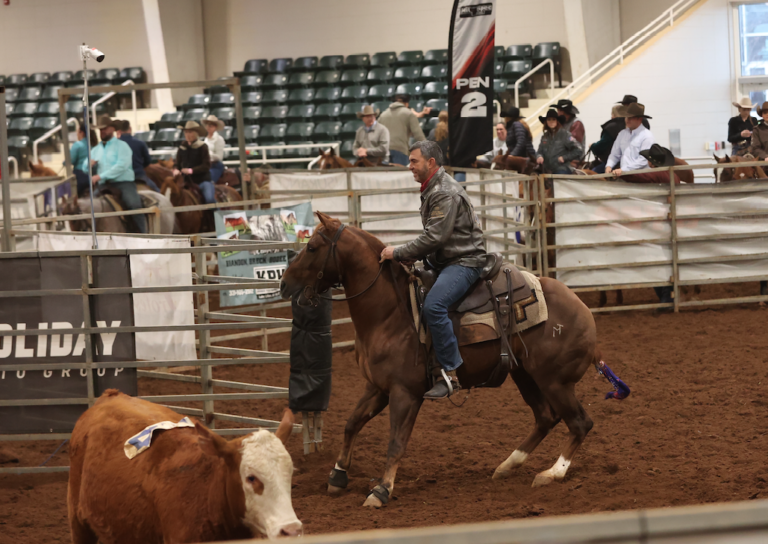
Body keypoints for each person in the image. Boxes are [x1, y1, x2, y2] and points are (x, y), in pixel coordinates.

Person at [379, 140, 486, 399]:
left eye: (414, 161)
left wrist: (400, 252)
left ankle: (450, 373)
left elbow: (435, 237)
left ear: (431, 162)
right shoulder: (434, 188)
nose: (409, 166)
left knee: (434, 306)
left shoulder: (443, 191)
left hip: (464, 261)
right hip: (449, 259)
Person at [90, 115, 147, 233]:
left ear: (112, 129)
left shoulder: (122, 146)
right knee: (90, 207)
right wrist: (88, 165)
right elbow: (85, 166)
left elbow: (121, 166)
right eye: (100, 129)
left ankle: (143, 236)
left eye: (104, 128)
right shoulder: (96, 149)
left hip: (124, 183)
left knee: (134, 206)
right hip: (104, 185)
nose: (102, 132)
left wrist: (100, 176)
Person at [605, 103, 679, 184]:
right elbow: (615, 154)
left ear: (639, 119)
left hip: (641, 178)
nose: (627, 120)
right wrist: (609, 166)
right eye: (626, 117)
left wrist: (624, 169)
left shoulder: (647, 136)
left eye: (631, 118)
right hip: (625, 175)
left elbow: (643, 160)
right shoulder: (622, 134)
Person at [378, 94, 431, 166]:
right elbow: (418, 135)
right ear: (407, 104)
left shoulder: (383, 115)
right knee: (400, 176)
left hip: (383, 152)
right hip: (400, 150)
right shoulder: (409, 113)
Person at [174, 121, 214, 203]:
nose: (187, 134)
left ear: (196, 133)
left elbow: (206, 165)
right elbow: (177, 163)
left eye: (190, 132)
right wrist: (176, 170)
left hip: (202, 181)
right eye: (186, 132)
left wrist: (191, 170)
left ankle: (217, 214)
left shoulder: (202, 146)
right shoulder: (182, 147)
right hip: (185, 181)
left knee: (209, 199)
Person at [536, 109, 583, 175]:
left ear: (557, 121)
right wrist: (539, 156)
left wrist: (565, 157)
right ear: (546, 122)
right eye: (549, 119)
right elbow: (539, 151)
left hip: (562, 168)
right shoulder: (544, 136)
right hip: (547, 169)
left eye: (553, 119)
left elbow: (578, 149)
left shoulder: (565, 134)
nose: (551, 121)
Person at [118, 119, 159, 192]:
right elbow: (148, 160)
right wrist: (140, 166)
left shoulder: (114, 145)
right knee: (157, 191)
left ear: (119, 130)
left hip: (121, 177)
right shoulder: (140, 143)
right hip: (138, 176)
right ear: (130, 128)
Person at [588, 104, 626, 173]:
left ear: (613, 114)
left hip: (612, 162)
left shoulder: (611, 127)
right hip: (625, 162)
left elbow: (602, 145)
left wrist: (592, 146)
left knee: (592, 174)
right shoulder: (628, 126)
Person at [70, 126, 98, 196]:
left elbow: (71, 160)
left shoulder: (77, 145)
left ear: (81, 133)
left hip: (80, 176)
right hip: (94, 176)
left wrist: (64, 163)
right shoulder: (95, 145)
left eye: (77, 132)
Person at [203, 114, 226, 182]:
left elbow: (219, 157)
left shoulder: (219, 139)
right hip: (206, 165)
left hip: (215, 166)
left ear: (215, 127)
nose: (208, 127)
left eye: (210, 125)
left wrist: (208, 154)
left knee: (209, 181)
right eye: (207, 125)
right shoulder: (206, 139)